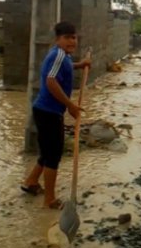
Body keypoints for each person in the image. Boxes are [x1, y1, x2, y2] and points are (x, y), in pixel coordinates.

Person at [21, 21, 91, 208]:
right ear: (57, 39)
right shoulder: (58, 55)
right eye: (67, 38)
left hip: (47, 111)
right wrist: (70, 105)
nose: (72, 41)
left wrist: (80, 64)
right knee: (53, 155)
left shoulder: (63, 56)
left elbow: (64, 67)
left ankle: (31, 182)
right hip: (48, 112)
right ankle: (49, 200)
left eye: (74, 37)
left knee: (47, 152)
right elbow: (51, 81)